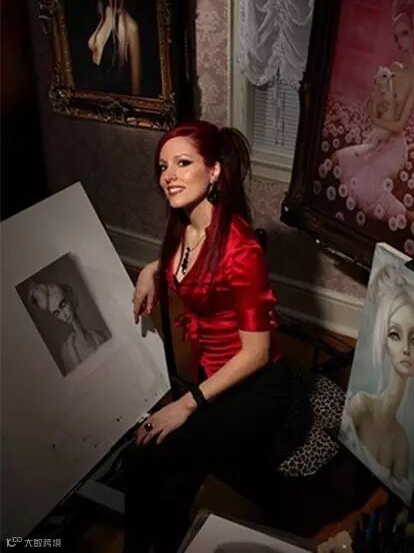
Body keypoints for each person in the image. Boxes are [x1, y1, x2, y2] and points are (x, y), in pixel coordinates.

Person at [124, 120, 293, 553]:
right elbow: (184, 263)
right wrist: (150, 270)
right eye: (163, 166)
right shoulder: (185, 227)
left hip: (253, 386)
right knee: (168, 477)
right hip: (210, 374)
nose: (169, 176)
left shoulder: (242, 249)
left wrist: (184, 405)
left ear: (214, 170)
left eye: (183, 163)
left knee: (143, 457)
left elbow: (256, 354)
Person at [333, 0, 414, 222]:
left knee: (364, 187)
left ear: (413, 33)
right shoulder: (392, 69)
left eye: (404, 33)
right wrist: (373, 102)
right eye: (396, 36)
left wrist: (375, 119)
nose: (399, 41)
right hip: (376, 137)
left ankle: (410, 218)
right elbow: (376, 106)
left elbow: (399, 125)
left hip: (395, 146)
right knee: (339, 160)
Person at [343, 265, 414, 484]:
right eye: (395, 334)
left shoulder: (401, 443)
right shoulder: (360, 407)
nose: (406, 348)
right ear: (383, 342)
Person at [29, 282, 107, 375]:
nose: (64, 314)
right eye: (57, 313)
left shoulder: (99, 336)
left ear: (70, 298)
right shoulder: (66, 351)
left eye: (63, 304)